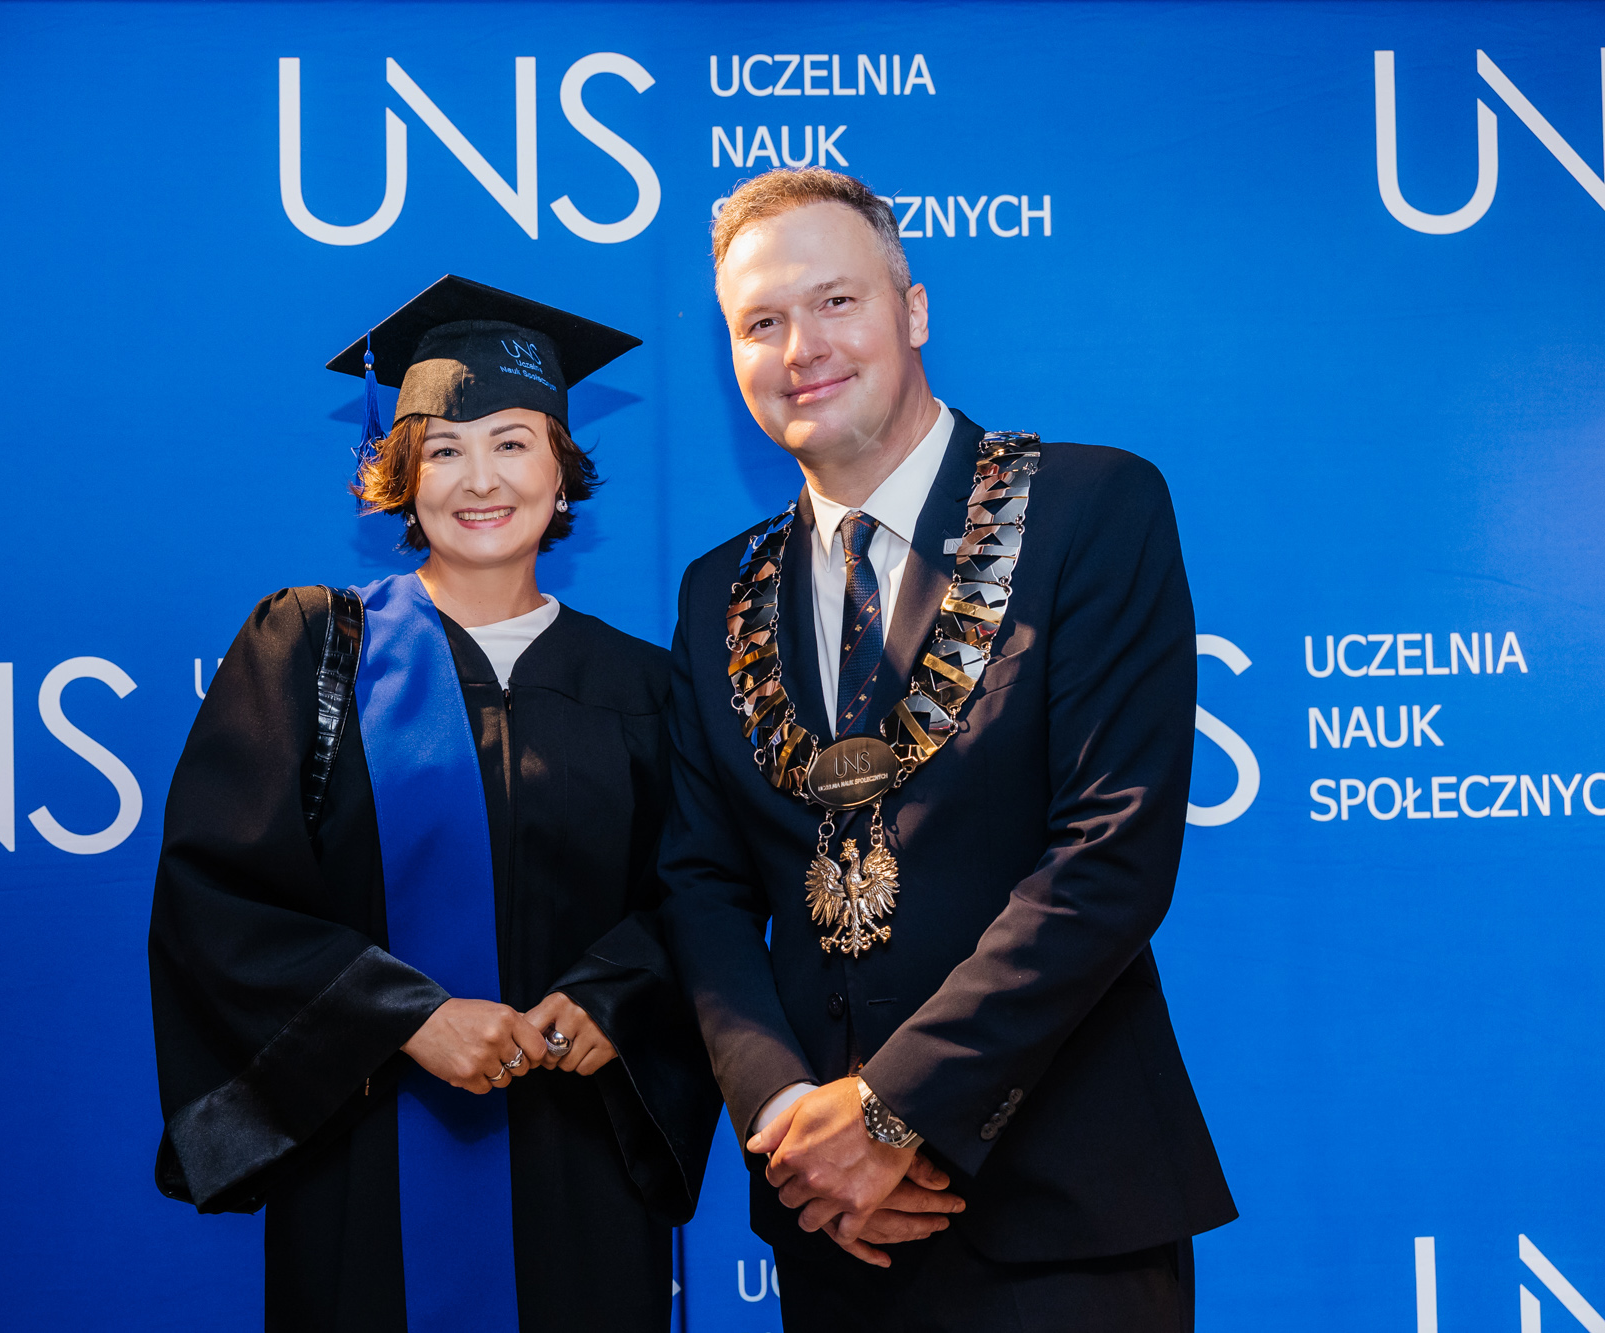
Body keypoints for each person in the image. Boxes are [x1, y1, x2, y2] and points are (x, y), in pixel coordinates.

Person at [660, 168, 1236, 1330]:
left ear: (911, 309)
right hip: (835, 1229)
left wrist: (894, 1111)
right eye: (760, 323)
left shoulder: (1089, 507)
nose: (800, 349)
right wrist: (788, 1123)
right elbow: (700, 885)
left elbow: (1108, 854)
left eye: (834, 301)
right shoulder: (716, 590)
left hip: (1062, 1218)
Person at [149, 275, 720, 1333]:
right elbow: (218, 898)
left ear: (561, 471)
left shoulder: (644, 686)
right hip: (367, 1152)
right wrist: (406, 1018)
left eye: (512, 443)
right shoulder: (311, 651)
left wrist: (616, 999)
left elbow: (698, 889)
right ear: (402, 478)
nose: (480, 479)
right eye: (444, 450)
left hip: (579, 1156)